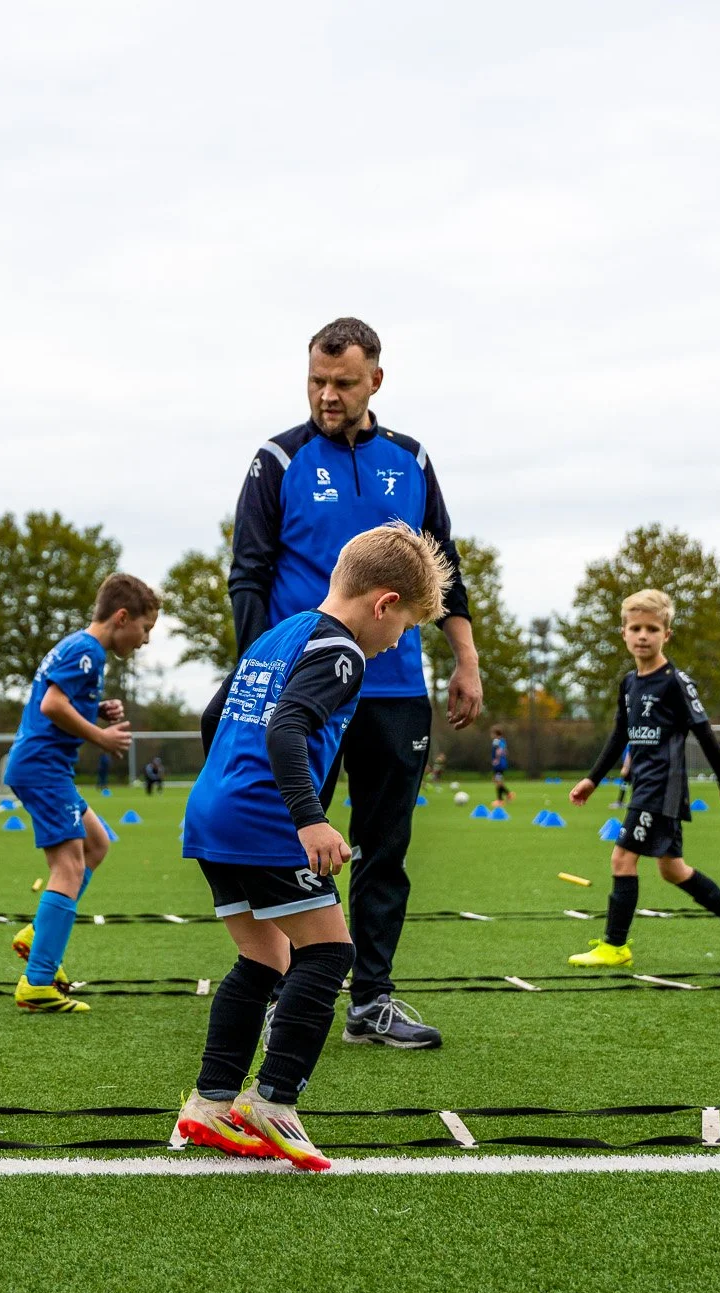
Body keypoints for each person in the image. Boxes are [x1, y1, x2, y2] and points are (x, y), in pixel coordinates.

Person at [225, 317, 482, 1050]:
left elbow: (445, 566)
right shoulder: (277, 459)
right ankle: (286, 988)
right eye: (316, 380)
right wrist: (258, 667)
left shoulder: (412, 457)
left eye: (342, 381)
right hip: (310, 686)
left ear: (376, 378)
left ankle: (371, 1000)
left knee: (384, 848)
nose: (326, 394)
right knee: (288, 837)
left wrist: (464, 657)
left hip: (398, 685)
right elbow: (249, 574)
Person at [177, 525, 449, 1171]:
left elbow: (214, 716)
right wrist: (309, 818)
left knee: (264, 957)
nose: (398, 642)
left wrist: (229, 781)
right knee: (330, 952)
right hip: (264, 819)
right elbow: (289, 724)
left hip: (214, 811)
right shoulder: (344, 652)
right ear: (383, 603)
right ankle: (274, 1098)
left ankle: (211, 1101)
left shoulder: (283, 630)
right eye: (406, 625)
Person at [567, 589, 720, 968]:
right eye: (635, 627)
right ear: (623, 633)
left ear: (666, 634)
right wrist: (592, 779)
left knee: (622, 859)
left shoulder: (676, 682)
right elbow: (620, 735)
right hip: (646, 786)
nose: (642, 635)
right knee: (673, 869)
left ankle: (615, 947)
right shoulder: (629, 684)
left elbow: (704, 732)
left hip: (661, 787)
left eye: (652, 628)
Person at [4, 573, 159, 1011]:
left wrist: (95, 707)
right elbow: (52, 705)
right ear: (122, 617)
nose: (145, 640)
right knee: (69, 867)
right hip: (43, 768)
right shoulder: (87, 650)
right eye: (145, 629)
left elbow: (60, 698)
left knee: (97, 842)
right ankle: (36, 983)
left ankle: (39, 934)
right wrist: (101, 736)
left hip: (44, 768)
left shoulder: (81, 649)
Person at [489, 724, 513, 804]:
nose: (491, 735)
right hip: (502, 763)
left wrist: (496, 760)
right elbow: (506, 752)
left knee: (498, 781)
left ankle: (500, 800)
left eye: (492, 733)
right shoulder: (503, 741)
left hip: (498, 764)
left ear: (495, 734)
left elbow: (497, 752)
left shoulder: (496, 741)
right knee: (497, 781)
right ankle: (508, 794)